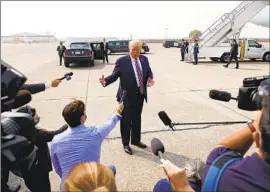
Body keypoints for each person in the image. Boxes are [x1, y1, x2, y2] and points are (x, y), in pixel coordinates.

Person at [154, 87, 270, 192]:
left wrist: (183, 188)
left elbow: (221, 152)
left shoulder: (225, 174)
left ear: (257, 138)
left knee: (163, 186)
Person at [50, 99, 123, 191]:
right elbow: (110, 123)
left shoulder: (56, 141)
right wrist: (117, 111)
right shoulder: (95, 133)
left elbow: (57, 169)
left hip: (68, 186)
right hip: (93, 184)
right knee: (111, 169)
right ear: (82, 118)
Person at [99, 40, 154, 155]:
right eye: (133, 49)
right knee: (126, 121)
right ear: (129, 49)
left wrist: (150, 78)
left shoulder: (144, 59)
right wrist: (105, 81)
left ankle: (136, 140)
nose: (135, 52)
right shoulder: (122, 61)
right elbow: (114, 76)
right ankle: (126, 143)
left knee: (136, 119)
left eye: (138, 49)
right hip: (127, 97)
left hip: (140, 94)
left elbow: (148, 71)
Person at [16, 106, 68, 192]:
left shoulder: (19, 133)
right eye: (35, 117)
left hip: (28, 173)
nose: (37, 117)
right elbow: (55, 134)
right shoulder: (38, 135)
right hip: (40, 171)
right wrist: (67, 125)